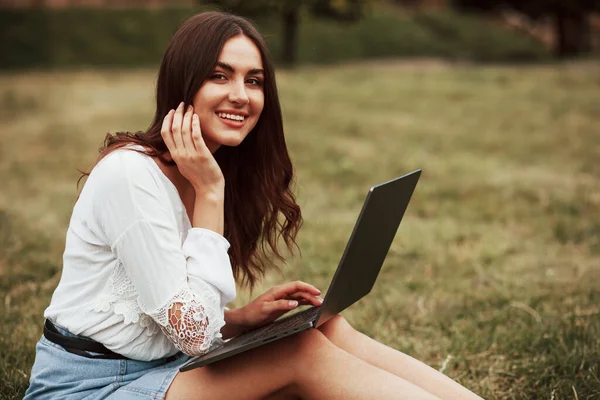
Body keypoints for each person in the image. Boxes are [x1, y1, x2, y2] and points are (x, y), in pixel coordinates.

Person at [25, 11, 482, 400]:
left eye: (254, 80)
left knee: (323, 329)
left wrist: (238, 321)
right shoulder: (132, 176)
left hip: (158, 369)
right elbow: (194, 336)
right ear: (183, 84)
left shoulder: (210, 172)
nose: (241, 95)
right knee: (303, 353)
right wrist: (209, 192)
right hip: (87, 388)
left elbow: (165, 309)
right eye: (219, 75)